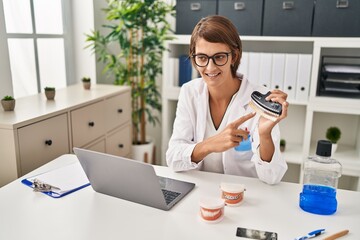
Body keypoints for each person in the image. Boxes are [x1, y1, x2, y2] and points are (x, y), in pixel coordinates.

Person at [166, 15, 289, 184]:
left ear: (234, 56)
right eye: (202, 58)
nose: (210, 68)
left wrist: (265, 134)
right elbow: (173, 158)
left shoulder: (262, 99)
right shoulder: (189, 92)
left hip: (244, 196)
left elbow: (272, 177)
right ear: (193, 58)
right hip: (202, 192)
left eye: (219, 57)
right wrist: (210, 144)